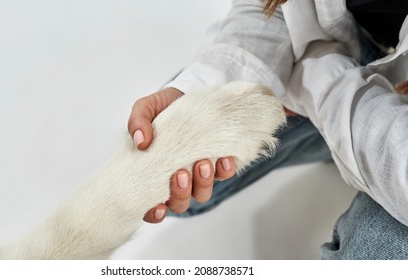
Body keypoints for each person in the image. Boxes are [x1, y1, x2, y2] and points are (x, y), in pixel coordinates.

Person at [127, 0, 408, 259]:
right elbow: (271, 8)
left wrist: (315, 73)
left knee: (368, 254)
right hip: (353, 47)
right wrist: (207, 87)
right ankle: (341, 146)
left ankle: (344, 144)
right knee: (168, 176)